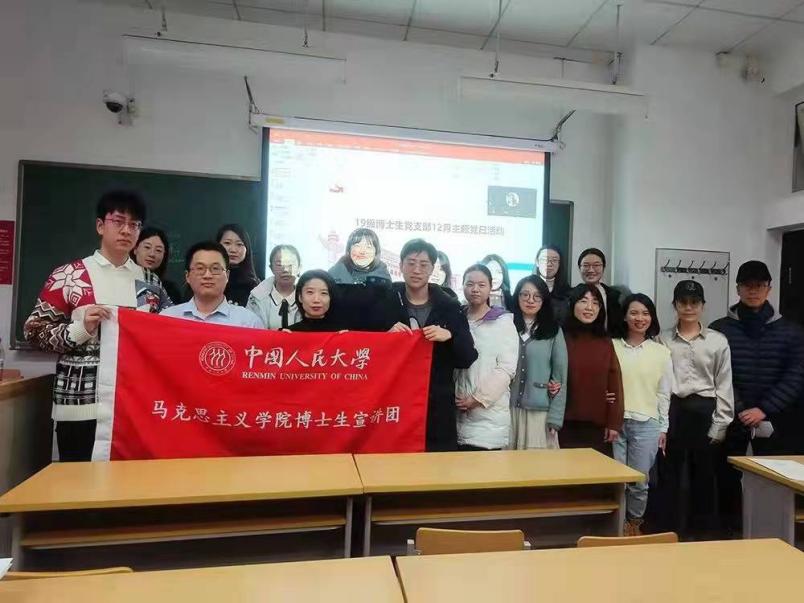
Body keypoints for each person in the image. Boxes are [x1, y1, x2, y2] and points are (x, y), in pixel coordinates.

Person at [24, 190, 172, 462]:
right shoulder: (70, 275)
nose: (126, 230)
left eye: (134, 225)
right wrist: (80, 329)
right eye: (118, 221)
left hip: (134, 404)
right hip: (81, 403)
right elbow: (33, 332)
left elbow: (169, 335)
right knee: (77, 481)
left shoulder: (150, 282)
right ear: (100, 225)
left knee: (130, 482)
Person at [709, 261, 804, 532]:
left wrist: (763, 409)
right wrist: (740, 408)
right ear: (737, 288)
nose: (753, 291)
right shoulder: (719, 329)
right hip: (732, 416)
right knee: (725, 479)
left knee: (773, 479)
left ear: (769, 288)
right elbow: (718, 374)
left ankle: (770, 533)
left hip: (776, 420)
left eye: (759, 285)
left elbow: (796, 375)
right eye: (747, 285)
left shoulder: (791, 331)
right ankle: (728, 533)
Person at [371, 238, 478, 451]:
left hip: (436, 405)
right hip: (393, 402)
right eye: (411, 263)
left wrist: (449, 336)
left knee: (438, 465)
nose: (416, 270)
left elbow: (468, 357)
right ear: (401, 266)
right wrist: (385, 338)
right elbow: (365, 351)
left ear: (432, 268)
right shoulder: (384, 301)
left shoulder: (449, 306)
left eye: (423, 264)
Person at [656, 280, 734, 538]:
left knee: (705, 476)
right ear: (675, 305)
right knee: (671, 475)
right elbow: (659, 383)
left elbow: (724, 384)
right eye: (683, 302)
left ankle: (704, 535)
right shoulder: (662, 339)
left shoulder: (717, 341)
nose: (688, 307)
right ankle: (671, 531)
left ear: (702, 306)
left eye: (694, 302)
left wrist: (721, 423)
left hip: (705, 411)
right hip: (674, 410)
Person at [612, 293, 672, 536]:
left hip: (647, 423)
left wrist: (663, 428)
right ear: (625, 317)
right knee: (616, 479)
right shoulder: (612, 346)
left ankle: (633, 524)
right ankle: (614, 525)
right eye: (634, 312)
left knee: (639, 480)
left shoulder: (661, 352)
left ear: (652, 317)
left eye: (646, 313)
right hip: (615, 422)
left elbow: (664, 393)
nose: (640, 318)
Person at [454, 264, 518, 451]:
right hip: (456, 413)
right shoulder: (456, 319)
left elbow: (506, 369)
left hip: (488, 417)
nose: (475, 289)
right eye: (470, 284)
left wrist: (477, 398)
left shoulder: (502, 322)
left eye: (481, 285)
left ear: (490, 287)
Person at [561, 284, 624, 455]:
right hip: (564, 422)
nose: (590, 307)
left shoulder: (605, 342)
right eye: (583, 301)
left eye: (595, 303)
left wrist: (613, 423)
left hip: (597, 424)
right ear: (572, 305)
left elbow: (614, 383)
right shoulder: (561, 338)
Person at [509, 275, 567, 449]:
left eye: (537, 296)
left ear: (544, 300)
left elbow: (560, 378)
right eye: (525, 294)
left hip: (539, 412)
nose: (530, 300)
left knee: (537, 462)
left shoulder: (553, 331)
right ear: (517, 297)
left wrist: (555, 418)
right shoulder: (507, 326)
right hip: (507, 409)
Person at [161, 241, 262, 328]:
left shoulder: (248, 322)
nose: (207, 275)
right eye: (200, 268)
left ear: (227, 275)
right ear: (187, 276)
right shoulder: (167, 318)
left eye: (215, 269)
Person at [329, 228, 392, 330]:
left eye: (368, 247)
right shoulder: (332, 276)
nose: (362, 252)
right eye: (357, 246)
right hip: (340, 336)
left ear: (376, 252)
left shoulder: (383, 279)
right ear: (349, 250)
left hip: (374, 336)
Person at [247, 244, 302, 329]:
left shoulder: (308, 298)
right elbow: (249, 329)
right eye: (279, 265)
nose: (285, 270)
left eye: (291, 264)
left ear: (299, 267)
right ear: (271, 268)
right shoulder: (256, 298)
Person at [577, 248, 623, 334]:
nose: (591, 270)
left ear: (603, 267)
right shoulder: (570, 296)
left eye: (596, 265)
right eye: (586, 265)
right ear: (579, 268)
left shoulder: (615, 296)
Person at [131, 226, 182, 303]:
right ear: (135, 249)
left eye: (158, 250)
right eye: (147, 247)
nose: (152, 254)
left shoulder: (170, 291)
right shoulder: (121, 279)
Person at [216, 223, 260, 307]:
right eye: (227, 243)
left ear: (247, 249)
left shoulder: (255, 286)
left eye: (239, 244)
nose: (233, 250)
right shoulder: (207, 280)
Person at [534, 244, 571, 323]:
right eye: (545, 259)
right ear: (537, 262)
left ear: (559, 264)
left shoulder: (568, 292)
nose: (549, 264)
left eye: (554, 260)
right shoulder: (527, 287)